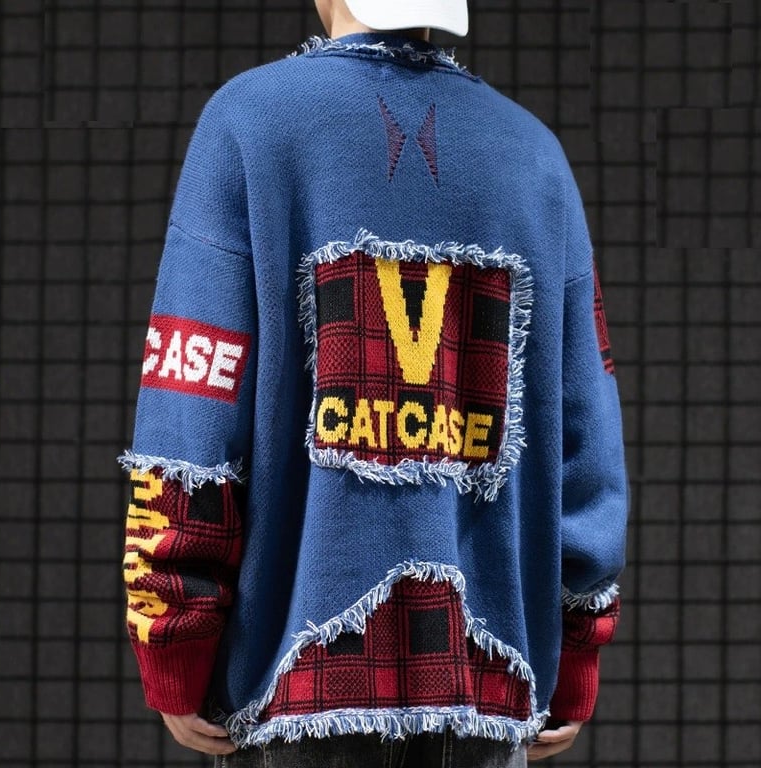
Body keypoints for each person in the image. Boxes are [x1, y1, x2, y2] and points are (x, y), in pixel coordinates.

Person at [119, 0, 629, 765]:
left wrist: (173, 638)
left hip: (293, 690)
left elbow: (189, 416)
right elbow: (588, 444)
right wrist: (576, 651)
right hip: (484, 687)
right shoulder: (535, 158)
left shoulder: (249, 125)